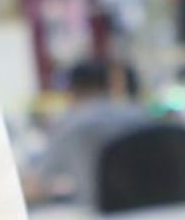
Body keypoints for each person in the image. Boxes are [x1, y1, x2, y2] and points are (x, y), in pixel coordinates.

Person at [25, 59, 159, 206]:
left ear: (73, 90)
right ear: (109, 85)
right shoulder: (140, 115)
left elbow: (36, 186)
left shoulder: (71, 126)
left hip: (102, 219)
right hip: (156, 212)